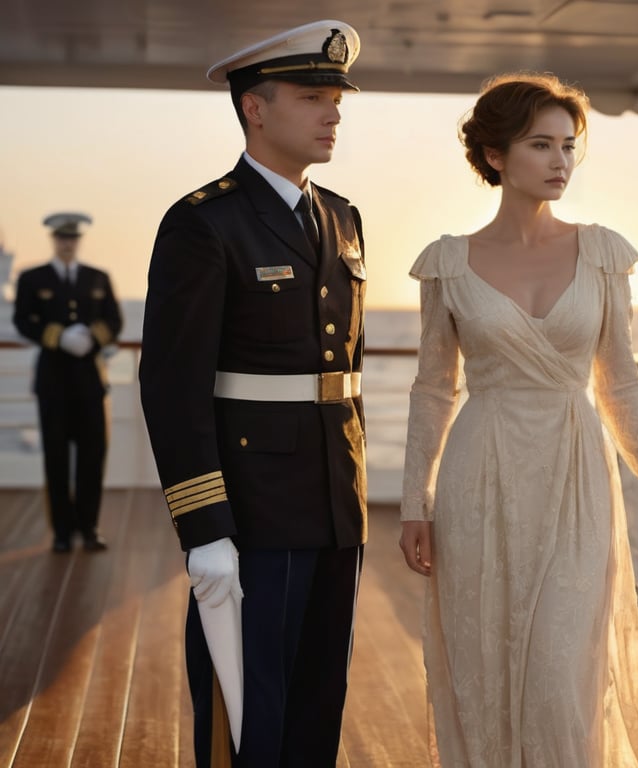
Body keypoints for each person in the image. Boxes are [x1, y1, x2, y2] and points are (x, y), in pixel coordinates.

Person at [399, 72, 638, 767]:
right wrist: (414, 500)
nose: (562, 161)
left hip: (574, 475)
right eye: (542, 145)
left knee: (563, 672)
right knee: (484, 661)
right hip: (481, 476)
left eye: (569, 146)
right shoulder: (448, 263)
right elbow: (432, 388)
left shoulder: (601, 253)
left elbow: (618, 379)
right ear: (496, 156)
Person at [138, 20, 368, 768]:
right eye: (313, 96)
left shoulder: (343, 217)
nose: (333, 112)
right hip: (254, 509)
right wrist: (204, 527)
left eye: (336, 98)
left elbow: (344, 369)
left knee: (316, 702)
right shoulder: (206, 222)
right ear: (255, 109)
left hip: (338, 502)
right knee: (247, 712)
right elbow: (171, 386)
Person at [13, 212, 122, 553]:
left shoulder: (98, 278)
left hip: (90, 382)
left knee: (92, 457)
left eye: (72, 238)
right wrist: (59, 337)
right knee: (56, 459)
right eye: (62, 238)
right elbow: (23, 320)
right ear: (54, 240)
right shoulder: (32, 278)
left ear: (78, 240)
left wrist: (93, 338)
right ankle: (62, 532)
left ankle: (89, 527)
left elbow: (114, 320)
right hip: (53, 383)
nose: (67, 243)